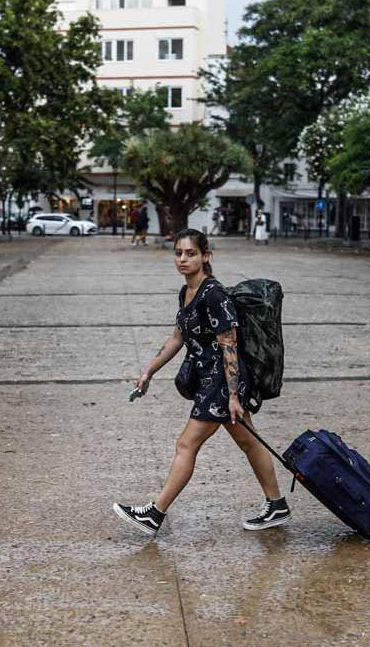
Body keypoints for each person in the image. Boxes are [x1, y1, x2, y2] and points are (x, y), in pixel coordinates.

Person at [113, 229, 287, 535]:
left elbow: (229, 347)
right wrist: (149, 371)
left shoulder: (214, 295)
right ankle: (277, 505)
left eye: (190, 253)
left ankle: (154, 513)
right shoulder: (187, 292)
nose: (182, 259)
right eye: (178, 253)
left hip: (222, 382)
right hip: (212, 380)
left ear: (205, 256)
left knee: (186, 444)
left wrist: (233, 395)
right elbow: (178, 336)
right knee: (248, 441)